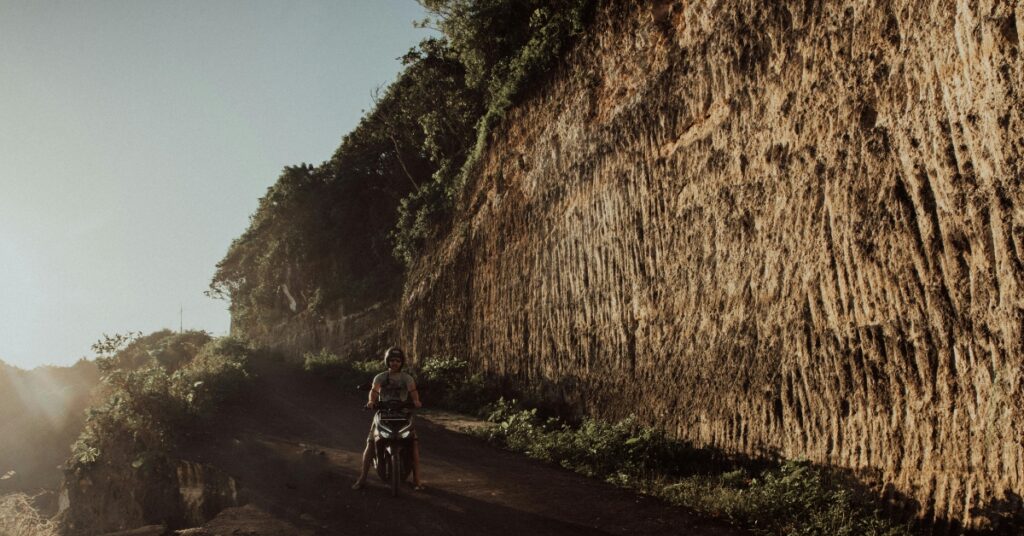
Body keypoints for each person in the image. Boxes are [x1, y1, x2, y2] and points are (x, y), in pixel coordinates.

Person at [352, 346, 423, 490]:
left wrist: (416, 401)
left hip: (403, 413)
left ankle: (417, 480)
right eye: (392, 360)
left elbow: (413, 391)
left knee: (413, 443)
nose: (394, 363)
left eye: (397, 360)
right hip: (383, 413)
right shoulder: (380, 377)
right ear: (387, 361)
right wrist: (371, 402)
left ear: (401, 362)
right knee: (371, 443)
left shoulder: (407, 378)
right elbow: (374, 391)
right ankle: (362, 478)